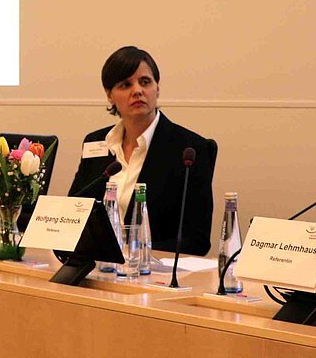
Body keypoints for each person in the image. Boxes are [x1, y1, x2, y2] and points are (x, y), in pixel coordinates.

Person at [67, 46, 215, 256]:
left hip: (151, 270)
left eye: (145, 82)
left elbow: (196, 240)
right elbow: (75, 211)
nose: (137, 90)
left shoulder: (189, 149)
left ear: (157, 88)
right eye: (125, 84)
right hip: (97, 264)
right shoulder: (96, 143)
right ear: (110, 95)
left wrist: (135, 253)